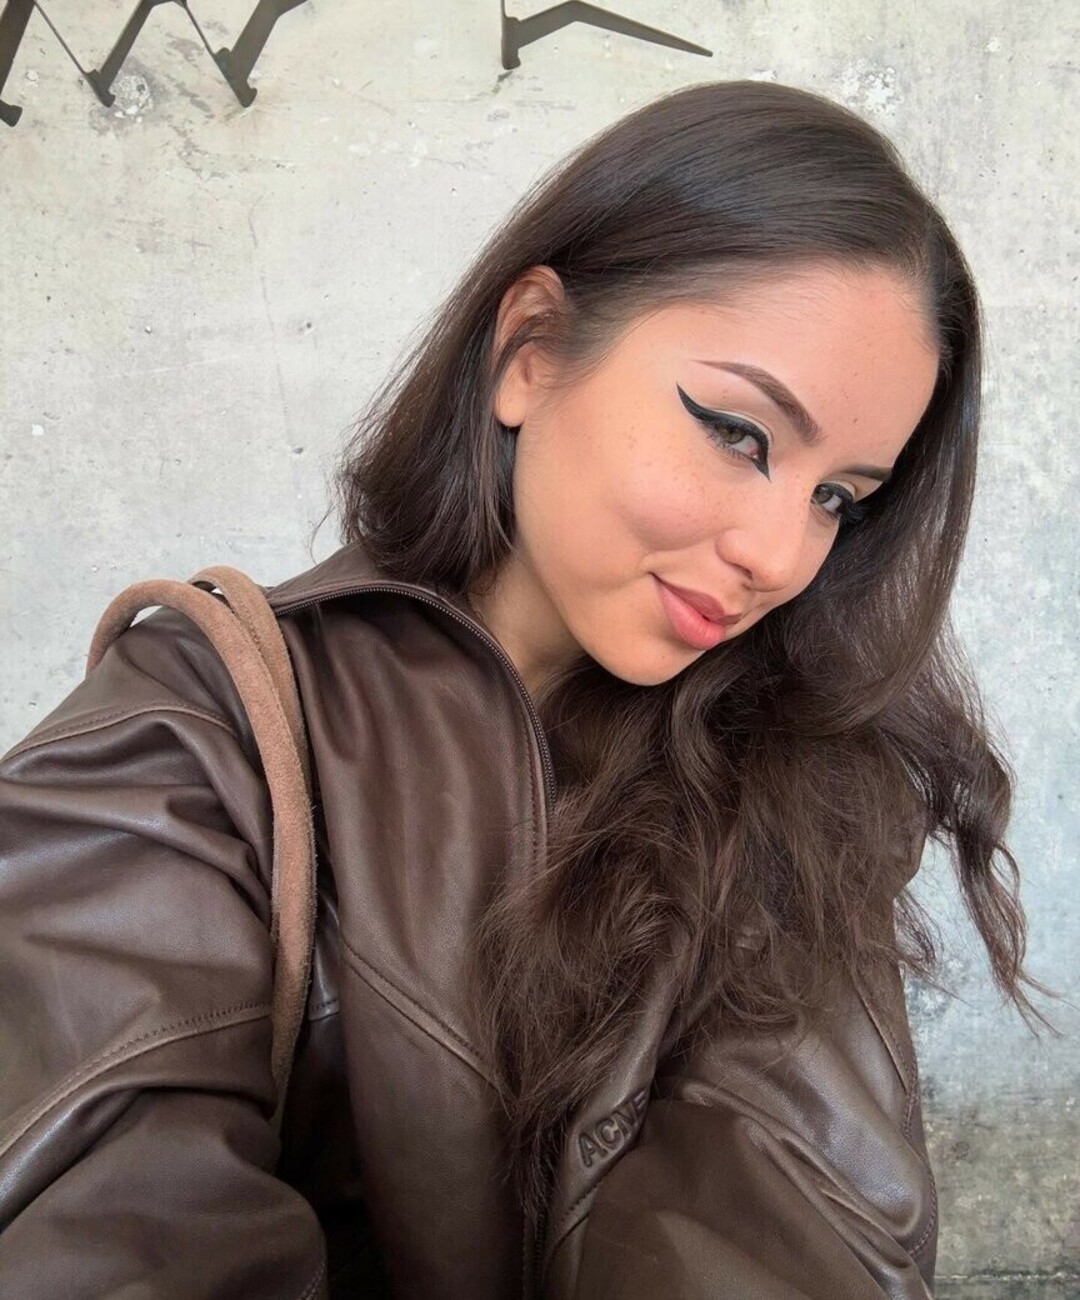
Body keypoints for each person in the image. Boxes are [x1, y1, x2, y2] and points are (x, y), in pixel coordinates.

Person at [0, 80, 1045, 1299]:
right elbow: (104, 1226)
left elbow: (784, 1224)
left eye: (838, 499)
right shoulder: (189, 736)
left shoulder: (798, 793)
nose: (779, 554)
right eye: (741, 433)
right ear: (531, 350)